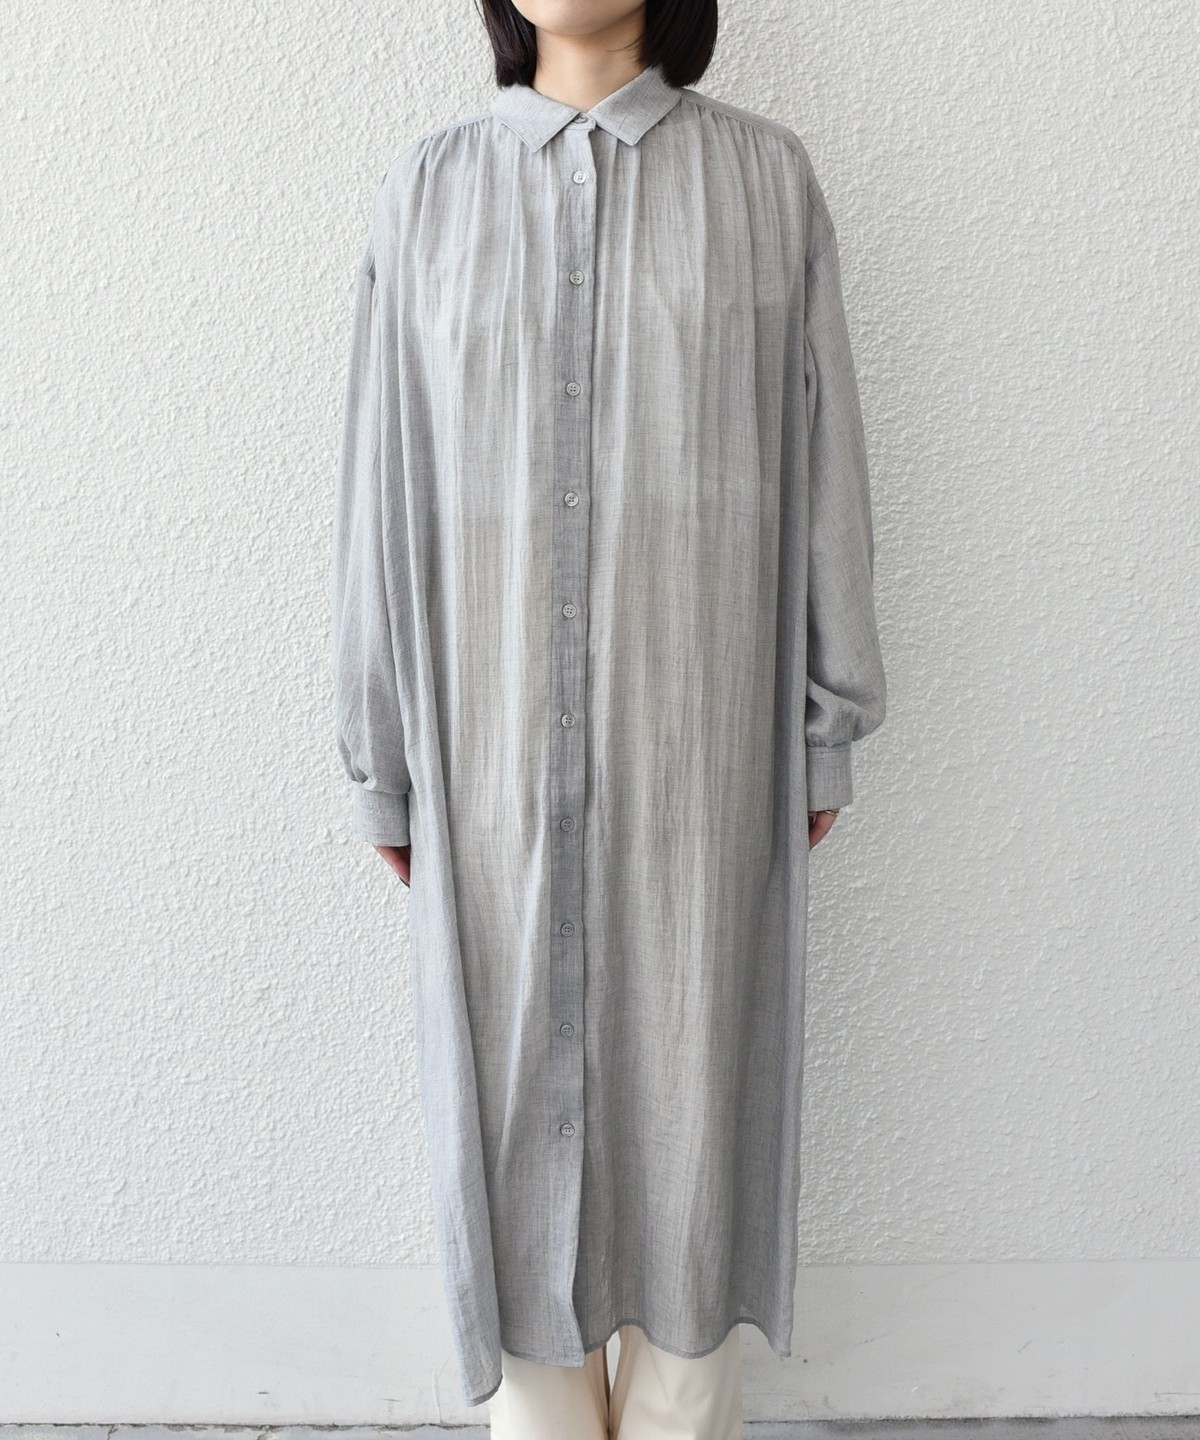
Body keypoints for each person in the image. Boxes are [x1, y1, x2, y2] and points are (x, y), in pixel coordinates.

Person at [330, 1, 886, 1435]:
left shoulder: (765, 181)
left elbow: (824, 458)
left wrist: (826, 722)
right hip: (490, 763)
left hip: (697, 751)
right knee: (506, 1138)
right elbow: (380, 488)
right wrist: (380, 753)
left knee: (696, 1134)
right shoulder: (427, 189)